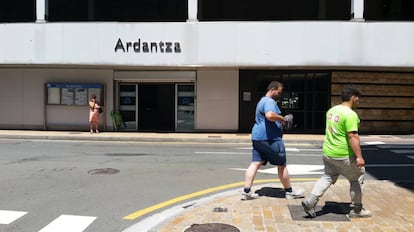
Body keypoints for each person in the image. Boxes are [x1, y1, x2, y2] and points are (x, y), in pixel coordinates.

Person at [301, 85, 371, 218]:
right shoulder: (350, 114)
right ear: (353, 98)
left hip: (328, 152)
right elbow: (352, 136)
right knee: (357, 178)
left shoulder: (331, 111)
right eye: (358, 98)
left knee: (327, 177)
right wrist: (359, 157)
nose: (358, 101)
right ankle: (357, 210)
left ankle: (311, 201)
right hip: (344, 154)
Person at [241, 81, 305, 200]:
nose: (279, 95)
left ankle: (246, 191)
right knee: (281, 164)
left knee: (255, 163)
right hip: (270, 138)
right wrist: (282, 119)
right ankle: (289, 191)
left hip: (257, 137)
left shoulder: (262, 101)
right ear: (272, 89)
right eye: (278, 92)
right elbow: (270, 116)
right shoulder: (269, 102)